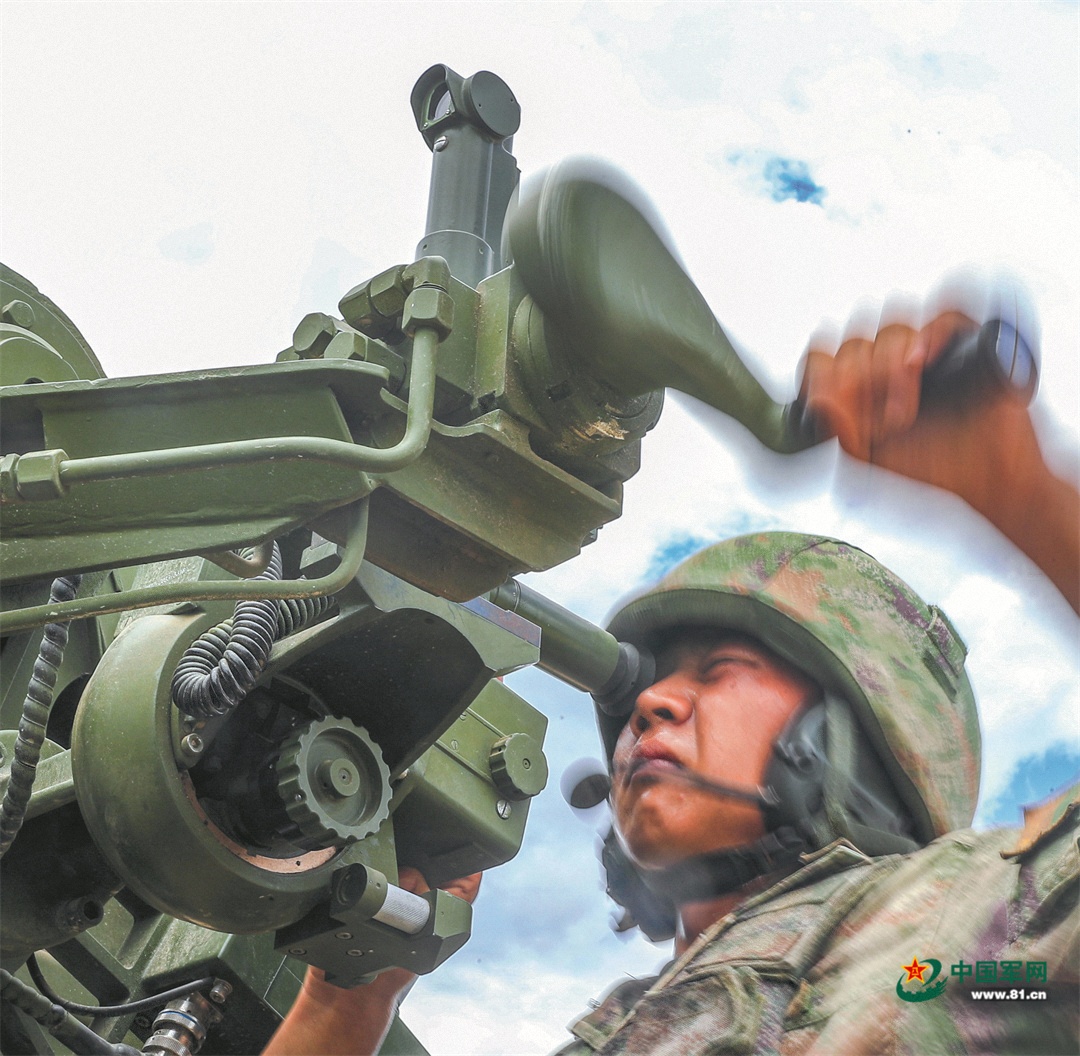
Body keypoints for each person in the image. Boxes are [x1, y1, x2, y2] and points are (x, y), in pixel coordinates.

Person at [265, 306, 1079, 1055]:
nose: (649, 706)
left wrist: (1017, 485)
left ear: (845, 745)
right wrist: (343, 1009)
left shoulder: (950, 951)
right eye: (645, 697)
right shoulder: (613, 1034)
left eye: (720, 675)